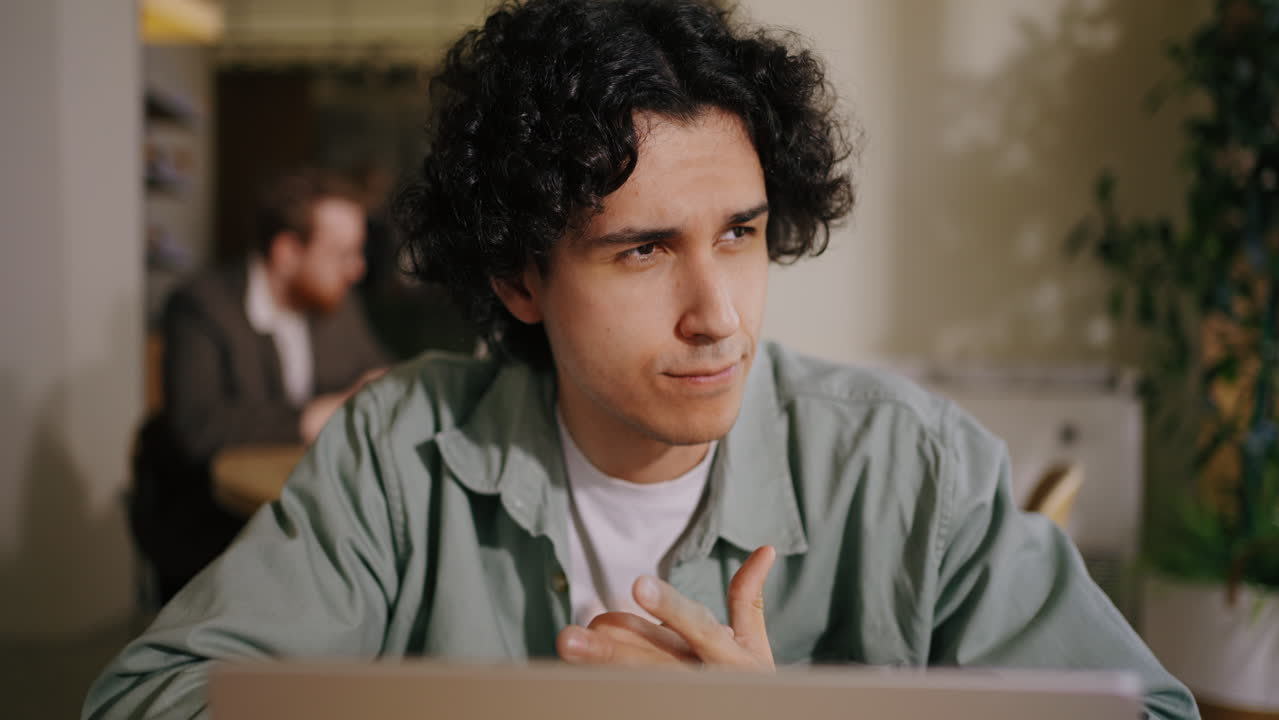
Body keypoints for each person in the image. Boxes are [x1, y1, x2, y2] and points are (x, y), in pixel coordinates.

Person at [87, 2, 1198, 719]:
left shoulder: (911, 470)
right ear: (518, 280)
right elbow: (148, 698)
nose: (717, 313)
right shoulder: (402, 454)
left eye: (741, 234)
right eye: (641, 251)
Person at [130, 168, 388, 602]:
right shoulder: (200, 307)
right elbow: (199, 428)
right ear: (287, 252)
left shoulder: (336, 305)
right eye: (343, 254)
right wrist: (312, 418)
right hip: (213, 528)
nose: (357, 269)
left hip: (309, 512)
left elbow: (376, 371)